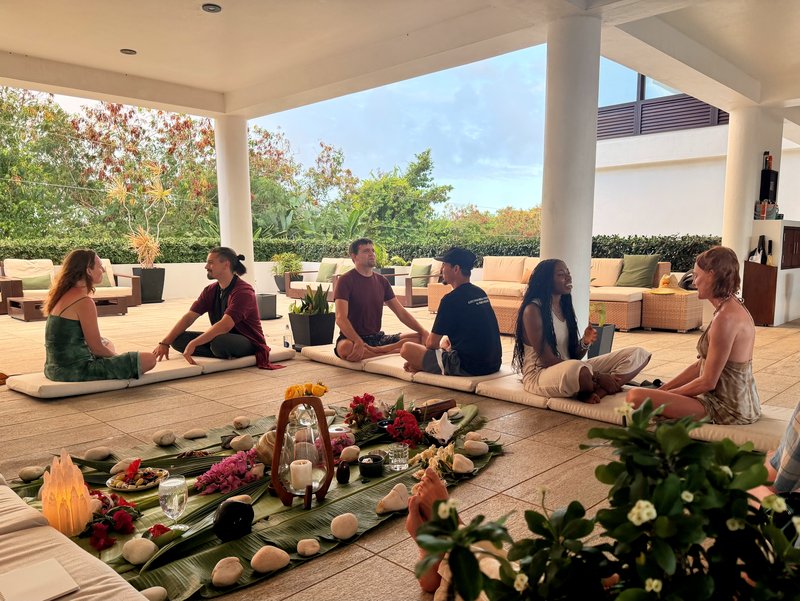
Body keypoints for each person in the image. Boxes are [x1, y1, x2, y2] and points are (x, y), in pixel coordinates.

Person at [627, 246, 760, 424]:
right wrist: (664, 390)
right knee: (649, 395)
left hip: (726, 408)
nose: (694, 282)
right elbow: (702, 365)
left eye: (697, 276)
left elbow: (707, 382)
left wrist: (667, 397)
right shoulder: (732, 306)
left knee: (635, 397)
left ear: (712, 275)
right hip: (741, 403)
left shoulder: (725, 318)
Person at [514, 259, 650, 403]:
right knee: (580, 369)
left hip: (569, 368)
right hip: (539, 375)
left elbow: (573, 356)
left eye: (568, 273)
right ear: (546, 280)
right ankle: (596, 385)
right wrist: (598, 375)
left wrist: (585, 342)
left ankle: (600, 390)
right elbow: (547, 360)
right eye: (561, 274)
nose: (568, 277)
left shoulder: (563, 307)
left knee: (638, 354)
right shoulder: (533, 310)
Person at [153, 247, 280, 369]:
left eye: (210, 263)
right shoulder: (210, 290)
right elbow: (189, 317)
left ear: (226, 264)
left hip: (248, 342)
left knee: (219, 343)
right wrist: (165, 342)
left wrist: (194, 343)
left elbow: (225, 325)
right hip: (221, 337)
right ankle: (220, 351)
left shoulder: (243, 291)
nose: (206, 267)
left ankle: (219, 349)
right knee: (177, 339)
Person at [43, 249, 156, 381]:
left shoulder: (63, 295)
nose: (102, 269)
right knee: (149, 359)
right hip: (76, 370)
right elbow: (96, 348)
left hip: (53, 368)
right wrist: (119, 359)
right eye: (99, 266)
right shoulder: (84, 301)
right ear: (88, 271)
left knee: (107, 343)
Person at [401, 247, 502, 376]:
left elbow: (431, 343)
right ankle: (423, 365)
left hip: (468, 367)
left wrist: (421, 358)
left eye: (444, 265)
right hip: (492, 364)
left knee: (407, 349)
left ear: (456, 269)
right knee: (446, 342)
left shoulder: (450, 300)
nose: (442, 269)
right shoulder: (479, 293)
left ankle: (423, 366)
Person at [333, 238, 429, 361]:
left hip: (378, 339)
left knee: (420, 337)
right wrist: (357, 340)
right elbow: (340, 318)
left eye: (373, 250)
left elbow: (401, 312)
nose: (372, 253)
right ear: (354, 256)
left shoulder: (382, 281)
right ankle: (393, 350)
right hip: (351, 338)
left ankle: (378, 351)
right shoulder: (345, 281)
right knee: (345, 348)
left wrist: (423, 331)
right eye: (366, 251)